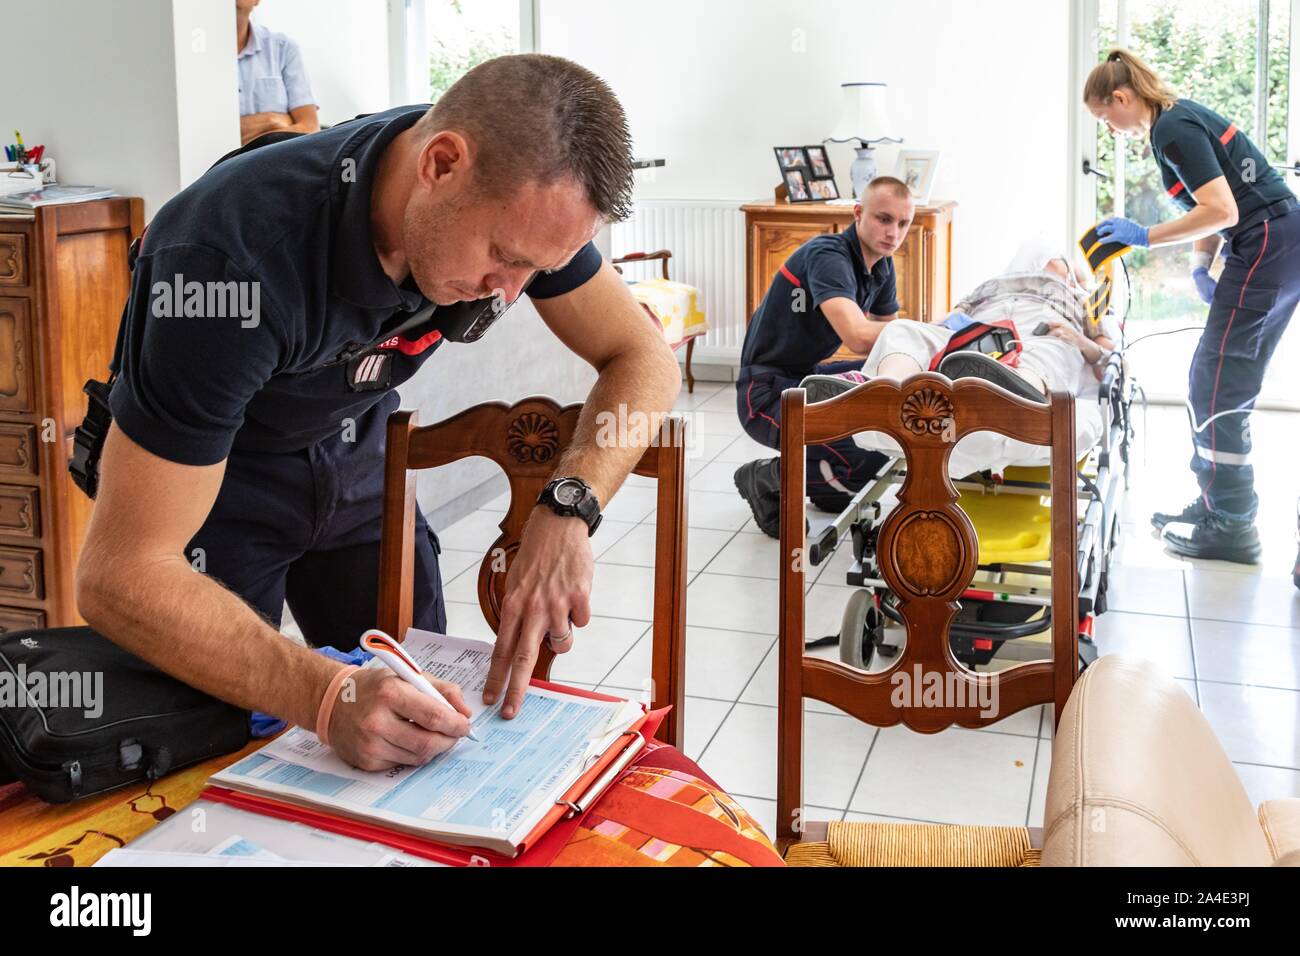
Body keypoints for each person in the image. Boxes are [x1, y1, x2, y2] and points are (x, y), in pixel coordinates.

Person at [75, 55, 682, 775]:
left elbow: (644, 358)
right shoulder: (229, 260)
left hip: (355, 455)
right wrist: (325, 696)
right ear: (442, 164)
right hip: (222, 483)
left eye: (536, 271)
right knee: (217, 746)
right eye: (502, 258)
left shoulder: (518, 201)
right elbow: (118, 576)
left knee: (415, 729)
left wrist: (569, 503)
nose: (510, 294)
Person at [1084, 47, 1300, 566]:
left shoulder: (1171, 129)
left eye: (1105, 118)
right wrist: (1200, 266)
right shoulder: (1178, 118)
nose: (1110, 129)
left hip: (1269, 241)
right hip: (1276, 239)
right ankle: (1217, 505)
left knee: (1216, 381)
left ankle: (1232, 522)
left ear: (1122, 97)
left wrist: (1144, 237)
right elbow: (1221, 208)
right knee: (1224, 378)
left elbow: (1222, 208)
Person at [732, 176, 914, 537]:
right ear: (858, 213)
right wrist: (926, 330)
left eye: (903, 223)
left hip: (804, 377)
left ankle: (825, 483)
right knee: (867, 443)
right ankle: (769, 477)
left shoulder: (881, 265)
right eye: (883, 218)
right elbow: (860, 337)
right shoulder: (828, 254)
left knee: (891, 400)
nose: (893, 232)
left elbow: (888, 349)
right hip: (764, 393)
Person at [801, 242, 1119, 405]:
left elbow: (1109, 362)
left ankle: (1015, 389)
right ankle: (880, 392)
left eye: (1055, 263)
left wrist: (1077, 339)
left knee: (1045, 352)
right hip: (981, 329)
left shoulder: (1080, 300)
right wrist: (930, 331)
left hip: (1044, 330)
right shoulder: (990, 286)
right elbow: (946, 319)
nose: (1043, 266)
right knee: (904, 330)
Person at [236, 0, 321, 145]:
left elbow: (310, 128)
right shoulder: (192, 54)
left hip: (274, 162)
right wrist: (274, 122)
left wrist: (247, 136)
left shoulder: (283, 48)